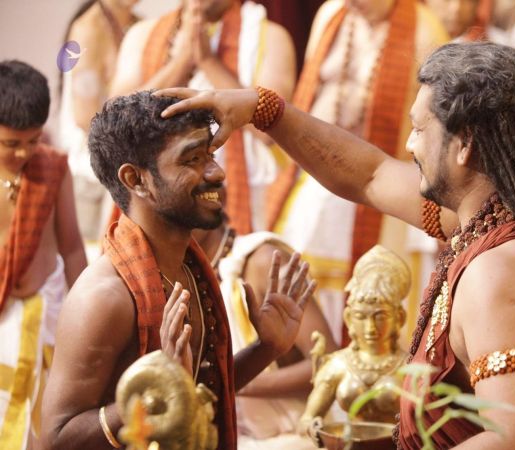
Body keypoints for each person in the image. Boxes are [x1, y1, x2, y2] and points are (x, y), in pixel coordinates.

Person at [155, 41, 515, 449]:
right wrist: (262, 109)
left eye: (420, 130)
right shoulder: (475, 222)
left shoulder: (501, 272)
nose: (408, 146)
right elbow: (367, 175)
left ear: (465, 144)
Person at [40, 91, 316, 450]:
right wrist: (157, 387)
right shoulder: (105, 297)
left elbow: (196, 390)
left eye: (210, 155)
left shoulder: (187, 268)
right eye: (193, 159)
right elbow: (56, 436)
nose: (216, 172)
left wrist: (267, 349)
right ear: (136, 180)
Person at [267, 0, 448, 344]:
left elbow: (436, 126)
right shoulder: (331, 14)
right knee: (302, 284)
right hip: (316, 183)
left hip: (382, 189)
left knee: (377, 301)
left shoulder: (426, 31)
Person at [110, 0, 296, 236]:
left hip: (239, 199)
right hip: (159, 196)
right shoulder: (143, 35)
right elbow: (117, 123)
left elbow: (271, 129)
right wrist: (181, 62)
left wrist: (208, 61)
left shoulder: (270, 38)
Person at [0, 60, 87, 449]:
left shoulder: (52, 168)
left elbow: (72, 247)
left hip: (48, 311)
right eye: (10, 143)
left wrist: (87, 313)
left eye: (33, 141)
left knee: (43, 423)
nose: (23, 152)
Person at [193, 221, 337, 449]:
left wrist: (234, 380)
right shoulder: (183, 274)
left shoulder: (262, 261)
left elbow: (329, 364)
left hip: (295, 440)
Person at [299, 244, 409, 433]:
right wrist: (313, 427)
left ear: (399, 318)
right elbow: (306, 420)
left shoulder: (410, 367)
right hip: (349, 442)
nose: (370, 328)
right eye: (360, 317)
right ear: (349, 318)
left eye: (380, 317)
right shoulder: (338, 365)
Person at [59, 0, 138, 243]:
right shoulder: (89, 28)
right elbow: (86, 116)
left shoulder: (135, 24)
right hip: (91, 176)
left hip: (121, 173)